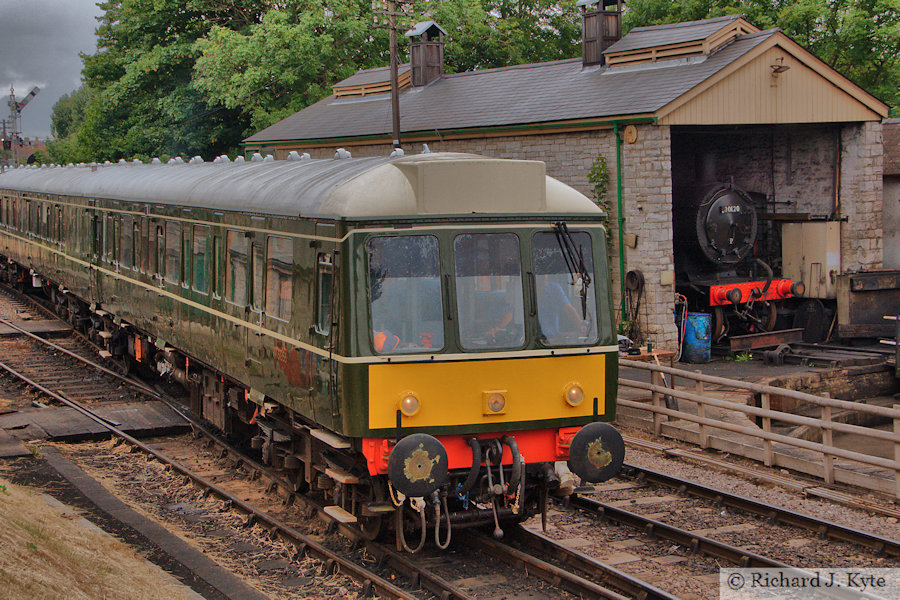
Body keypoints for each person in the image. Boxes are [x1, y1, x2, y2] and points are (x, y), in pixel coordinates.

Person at [536, 273, 589, 342]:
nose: (544, 277)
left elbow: (569, 310)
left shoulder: (554, 289)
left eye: (545, 274)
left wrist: (580, 326)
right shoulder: (526, 289)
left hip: (552, 338)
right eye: (540, 274)